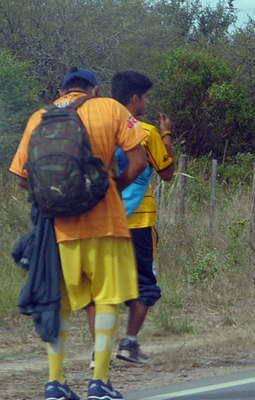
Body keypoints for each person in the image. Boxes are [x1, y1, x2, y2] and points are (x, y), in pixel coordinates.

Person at [10, 67, 148, 400]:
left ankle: (55, 383)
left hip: (59, 230)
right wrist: (112, 187)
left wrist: (55, 196)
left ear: (63, 91)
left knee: (58, 305)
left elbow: (21, 175)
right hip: (107, 224)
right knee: (107, 302)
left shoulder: (38, 118)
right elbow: (139, 160)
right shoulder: (111, 108)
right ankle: (99, 382)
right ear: (94, 89)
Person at [86, 71, 175, 365]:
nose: (147, 102)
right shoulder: (146, 132)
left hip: (102, 218)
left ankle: (99, 351)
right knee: (144, 284)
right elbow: (167, 173)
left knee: (100, 285)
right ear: (134, 98)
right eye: (146, 97)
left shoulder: (99, 125)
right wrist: (166, 135)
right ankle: (130, 342)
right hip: (138, 222)